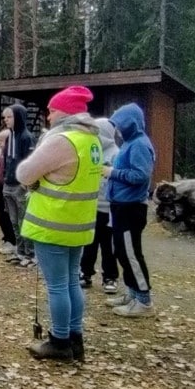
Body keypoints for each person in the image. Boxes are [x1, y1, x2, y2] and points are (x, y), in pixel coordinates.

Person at [16, 85, 102, 363]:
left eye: (51, 111)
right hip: (78, 223)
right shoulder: (91, 140)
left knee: (57, 286)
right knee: (71, 282)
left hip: (53, 223)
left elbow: (24, 173)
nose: (48, 116)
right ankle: (75, 339)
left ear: (64, 113)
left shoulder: (62, 140)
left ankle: (60, 341)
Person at [105, 103, 156, 317]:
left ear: (131, 124)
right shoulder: (129, 143)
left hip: (131, 207)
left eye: (120, 125)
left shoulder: (140, 144)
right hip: (120, 205)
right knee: (122, 252)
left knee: (131, 254)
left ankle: (144, 301)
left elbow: (140, 176)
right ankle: (132, 293)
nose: (117, 130)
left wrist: (112, 172)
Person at [79, 118, 119, 292]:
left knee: (108, 245)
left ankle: (110, 277)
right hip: (91, 206)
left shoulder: (116, 153)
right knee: (89, 242)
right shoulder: (91, 151)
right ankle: (85, 273)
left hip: (109, 208)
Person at [3, 103, 36, 267]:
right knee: (14, 221)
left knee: (24, 221)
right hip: (8, 184)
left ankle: (30, 254)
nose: (6, 120)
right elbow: (6, 160)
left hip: (20, 186)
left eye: (9, 117)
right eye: (5, 117)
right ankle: (20, 250)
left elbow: (29, 161)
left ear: (18, 117)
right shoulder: (9, 137)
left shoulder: (26, 137)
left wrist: (25, 183)